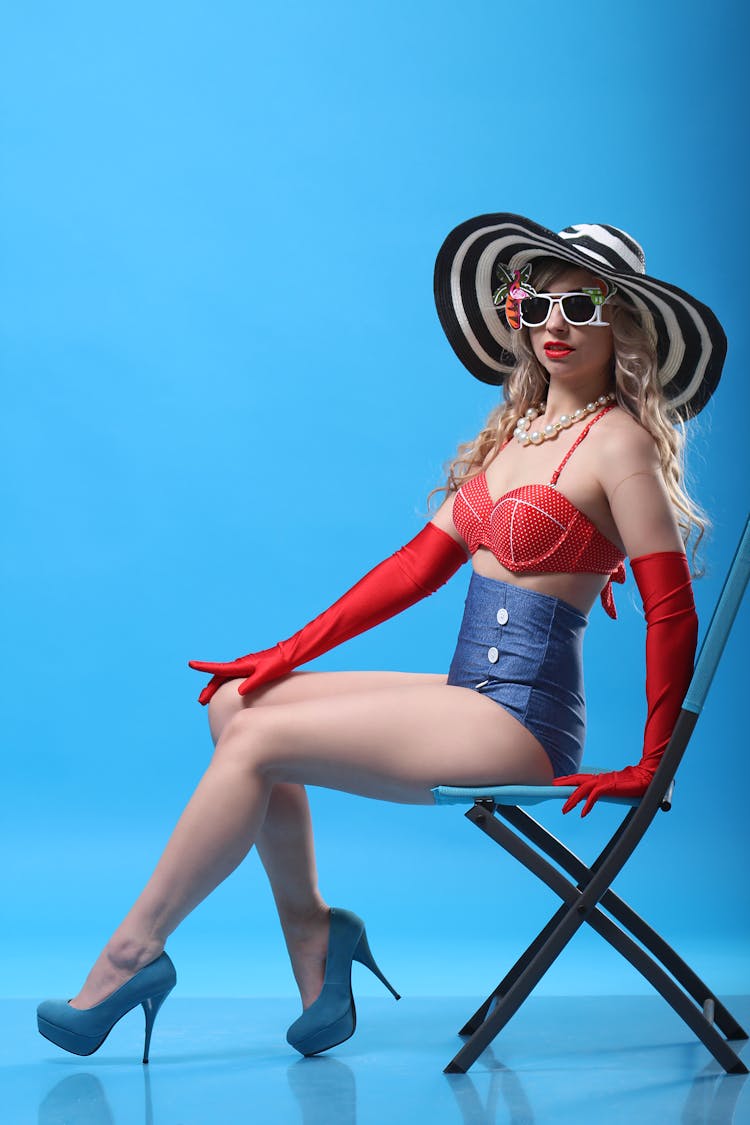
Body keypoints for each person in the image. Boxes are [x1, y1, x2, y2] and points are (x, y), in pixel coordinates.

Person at [37, 213, 725, 1064]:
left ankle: (131, 955)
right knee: (235, 703)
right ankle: (317, 946)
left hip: (522, 723)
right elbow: (413, 570)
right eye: (536, 301)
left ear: (620, 324)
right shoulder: (516, 434)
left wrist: (655, 760)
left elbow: (670, 607)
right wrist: (282, 653)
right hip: (467, 694)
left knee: (259, 743)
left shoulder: (618, 441)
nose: (554, 322)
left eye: (580, 305)